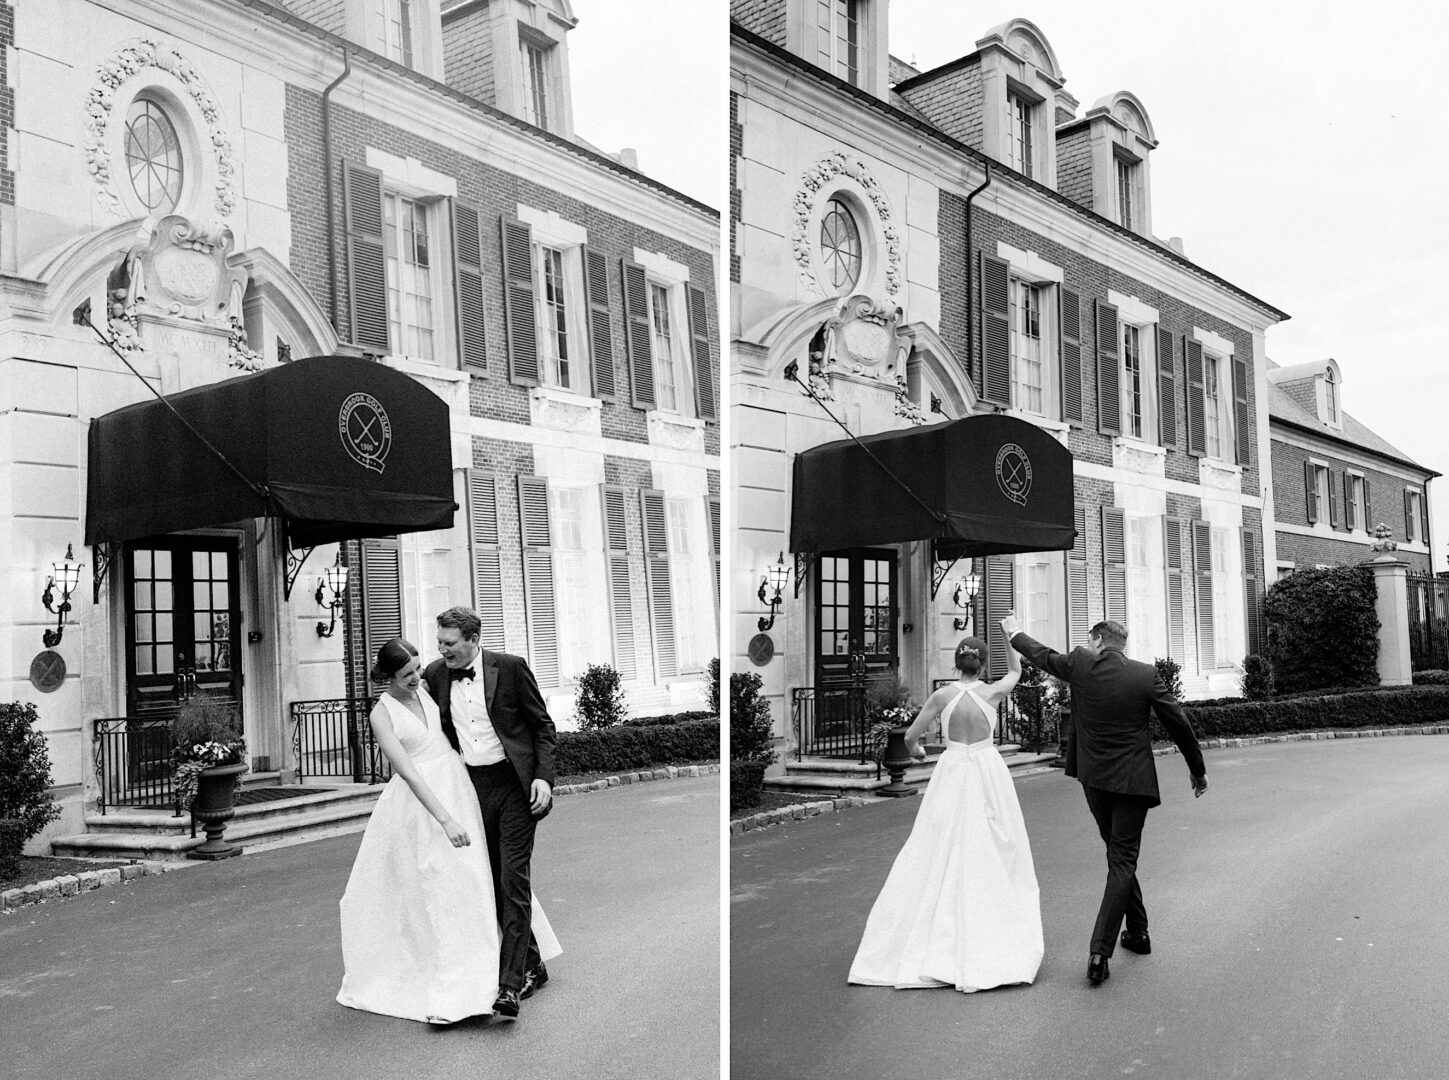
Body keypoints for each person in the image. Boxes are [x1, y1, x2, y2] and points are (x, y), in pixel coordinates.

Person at [336, 637, 556, 1024]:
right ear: (387, 677)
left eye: (419, 670)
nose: (417, 678)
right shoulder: (381, 714)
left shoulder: (432, 685)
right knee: (441, 890)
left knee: (485, 879)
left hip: (463, 787)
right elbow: (408, 773)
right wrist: (445, 819)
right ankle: (459, 983)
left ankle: (519, 967)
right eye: (407, 675)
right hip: (424, 805)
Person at [1004, 616, 1207, 988]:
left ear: (1097, 640)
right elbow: (1178, 720)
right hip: (1134, 782)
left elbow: (1042, 655)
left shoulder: (1081, 664)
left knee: (1118, 857)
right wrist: (1197, 770)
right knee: (1122, 858)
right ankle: (1119, 942)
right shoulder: (1145, 675)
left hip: (1095, 780)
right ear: (1120, 644)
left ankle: (1119, 941)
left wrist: (1013, 632)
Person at [848, 624, 1044, 993]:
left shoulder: (942, 696)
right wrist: (1008, 633)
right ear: (983, 665)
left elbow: (909, 737)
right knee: (996, 841)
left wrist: (918, 752)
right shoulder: (993, 692)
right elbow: (1017, 671)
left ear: (957, 665)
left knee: (936, 842)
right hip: (987, 771)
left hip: (952, 770)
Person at [424, 606, 559, 1020]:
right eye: (440, 643)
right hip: (471, 789)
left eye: (449, 643)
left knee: (512, 879)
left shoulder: (512, 668)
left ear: (472, 638)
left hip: (515, 786)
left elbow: (542, 728)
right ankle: (533, 962)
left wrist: (544, 778)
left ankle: (509, 986)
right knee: (491, 878)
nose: (443, 649)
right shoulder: (433, 674)